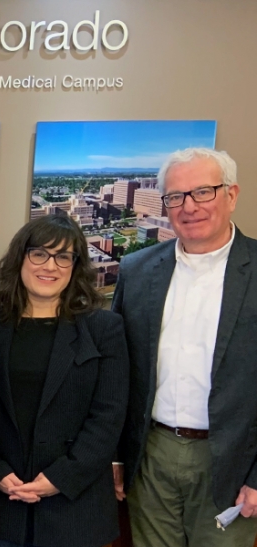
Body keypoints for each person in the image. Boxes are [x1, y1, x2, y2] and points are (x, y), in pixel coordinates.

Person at [114, 148, 257, 546]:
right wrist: (116, 456)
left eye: (203, 192)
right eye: (175, 196)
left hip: (232, 461)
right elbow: (119, 373)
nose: (188, 207)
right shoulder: (136, 271)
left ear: (232, 195)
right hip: (151, 456)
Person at [0, 215, 129, 547]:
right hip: (5, 499)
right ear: (20, 258)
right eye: (39, 253)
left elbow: (108, 415)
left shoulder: (103, 329)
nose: (50, 266)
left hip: (74, 503)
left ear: (75, 266)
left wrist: (61, 477)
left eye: (63, 256)